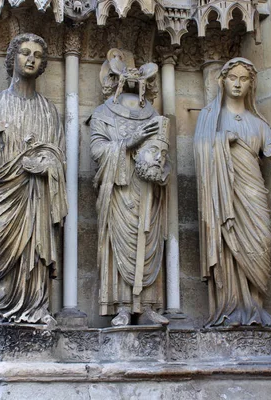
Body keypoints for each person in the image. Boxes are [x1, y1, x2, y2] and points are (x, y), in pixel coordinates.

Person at [0, 33, 67, 325]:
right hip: (2, 192)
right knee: (0, 243)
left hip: (37, 195)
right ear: (12, 59)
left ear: (42, 64)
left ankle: (37, 309)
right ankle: (3, 308)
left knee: (36, 251)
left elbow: (59, 156)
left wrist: (45, 166)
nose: (31, 58)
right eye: (24, 52)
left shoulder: (49, 111)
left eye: (37, 55)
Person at [194, 58, 271, 327]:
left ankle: (254, 306)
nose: (238, 84)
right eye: (233, 78)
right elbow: (199, 149)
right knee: (229, 244)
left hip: (253, 191)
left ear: (251, 85)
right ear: (223, 80)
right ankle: (230, 307)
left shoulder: (258, 122)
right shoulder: (210, 117)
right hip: (225, 196)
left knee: (261, 240)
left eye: (244, 79)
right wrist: (221, 140)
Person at [90, 49, 170, 326]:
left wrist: (159, 164)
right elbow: (97, 150)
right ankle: (121, 305)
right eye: (126, 75)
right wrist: (129, 142)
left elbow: (162, 150)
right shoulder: (102, 114)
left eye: (138, 75)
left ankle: (148, 305)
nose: (134, 79)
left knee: (148, 239)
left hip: (147, 189)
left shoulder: (152, 114)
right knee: (118, 245)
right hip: (118, 190)